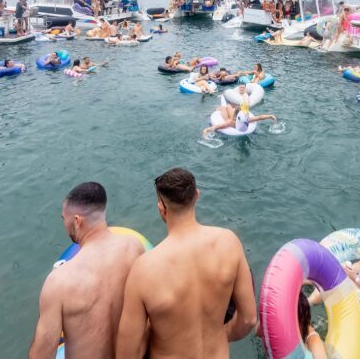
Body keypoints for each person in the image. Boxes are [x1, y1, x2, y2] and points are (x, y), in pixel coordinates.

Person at [115, 168, 257, 358]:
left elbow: (127, 353)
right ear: (197, 196)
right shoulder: (229, 242)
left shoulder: (144, 269)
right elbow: (248, 319)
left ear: (161, 209)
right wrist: (221, 335)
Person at [29, 182, 145, 359]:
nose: (65, 225)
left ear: (77, 221)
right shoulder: (134, 248)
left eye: (64, 219)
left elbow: (42, 354)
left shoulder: (59, 281)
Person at [203, 102, 276, 136]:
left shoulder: (246, 119)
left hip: (234, 116)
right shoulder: (230, 123)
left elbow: (259, 117)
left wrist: (270, 116)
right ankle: (217, 108)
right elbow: (215, 127)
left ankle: (227, 107)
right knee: (222, 107)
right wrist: (206, 131)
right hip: (228, 119)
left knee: (228, 106)